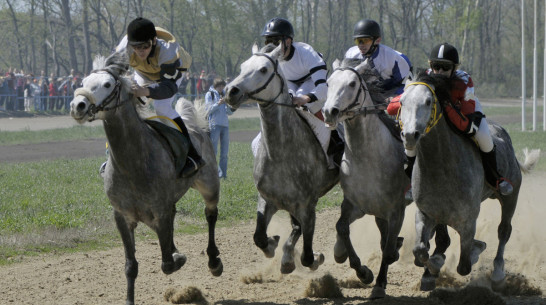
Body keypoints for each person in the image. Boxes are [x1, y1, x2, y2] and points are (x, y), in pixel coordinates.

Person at [387, 42, 513, 197]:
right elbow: (392, 107)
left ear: (455, 68)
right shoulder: (423, 78)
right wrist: (399, 100)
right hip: (437, 111)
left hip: (464, 110)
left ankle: (496, 178)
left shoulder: (464, 81)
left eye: (445, 67)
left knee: (483, 137)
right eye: (436, 66)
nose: (439, 71)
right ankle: (413, 182)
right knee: (410, 141)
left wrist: (445, 103)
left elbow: (465, 125)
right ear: (430, 65)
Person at [114, 17, 204, 178]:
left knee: (161, 108)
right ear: (130, 44)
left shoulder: (168, 51)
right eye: (136, 47)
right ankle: (112, 156)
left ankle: (193, 155)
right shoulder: (124, 48)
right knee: (126, 104)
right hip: (143, 72)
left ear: (154, 41)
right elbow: (113, 74)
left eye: (145, 46)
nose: (140, 51)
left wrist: (146, 91)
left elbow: (168, 88)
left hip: (173, 73)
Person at [261, 17, 343, 165]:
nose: (272, 47)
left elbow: (324, 89)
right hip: (291, 83)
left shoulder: (306, 53)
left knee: (307, 102)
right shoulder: (271, 60)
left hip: (312, 80)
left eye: (276, 41)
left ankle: (336, 142)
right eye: (268, 42)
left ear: (288, 41)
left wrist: (306, 99)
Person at [345, 19, 412, 96]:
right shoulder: (350, 55)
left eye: (365, 40)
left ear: (377, 40)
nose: (361, 45)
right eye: (358, 41)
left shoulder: (395, 59)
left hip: (391, 92)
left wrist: (393, 98)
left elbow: (406, 86)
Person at [205, 78, 233, 179]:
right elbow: (208, 110)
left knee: (224, 153)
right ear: (215, 86)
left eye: (222, 86)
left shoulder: (225, 94)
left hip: (225, 125)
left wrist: (230, 107)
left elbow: (229, 112)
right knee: (214, 151)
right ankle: (212, 173)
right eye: (219, 86)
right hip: (214, 125)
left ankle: (223, 175)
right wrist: (218, 104)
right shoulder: (210, 94)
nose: (221, 88)